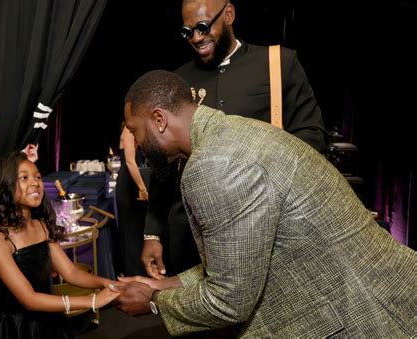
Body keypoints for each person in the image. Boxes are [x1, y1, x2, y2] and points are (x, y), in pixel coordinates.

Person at [112, 70, 417, 337]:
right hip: (375, 296)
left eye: (135, 130)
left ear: (159, 119)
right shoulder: (236, 132)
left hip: (360, 317)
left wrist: (153, 302)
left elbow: (228, 301)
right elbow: (240, 261)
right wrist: (163, 285)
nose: (135, 143)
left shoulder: (214, 165)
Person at [142, 0, 327, 279]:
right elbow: (163, 165)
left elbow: (311, 138)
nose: (196, 38)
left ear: (228, 14)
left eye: (203, 27)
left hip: (264, 231)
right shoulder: (177, 82)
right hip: (192, 237)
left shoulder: (278, 64)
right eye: (187, 31)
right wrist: (152, 233)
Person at [0, 151, 120, 339]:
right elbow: (29, 299)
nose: (35, 183)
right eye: (24, 178)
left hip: (48, 319)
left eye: (38, 177)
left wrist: (106, 283)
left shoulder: (41, 226)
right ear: (4, 187)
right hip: (13, 327)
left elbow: (71, 273)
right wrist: (92, 301)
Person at [115, 122, 150, 276]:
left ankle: (135, 269)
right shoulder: (129, 130)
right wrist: (142, 188)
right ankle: (134, 272)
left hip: (129, 181)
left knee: (133, 229)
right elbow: (130, 161)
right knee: (132, 230)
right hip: (128, 183)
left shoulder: (131, 129)